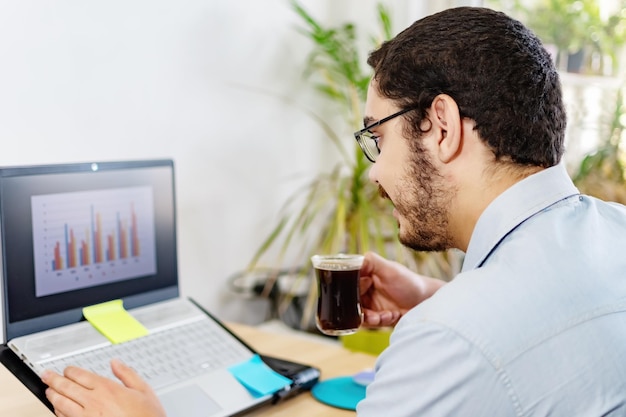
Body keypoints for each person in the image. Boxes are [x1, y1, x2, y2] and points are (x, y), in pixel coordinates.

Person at [42, 6, 626, 417]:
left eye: (377, 137)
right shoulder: (615, 233)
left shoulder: (452, 339)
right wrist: (432, 299)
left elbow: (481, 341)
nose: (374, 171)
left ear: (441, 127)